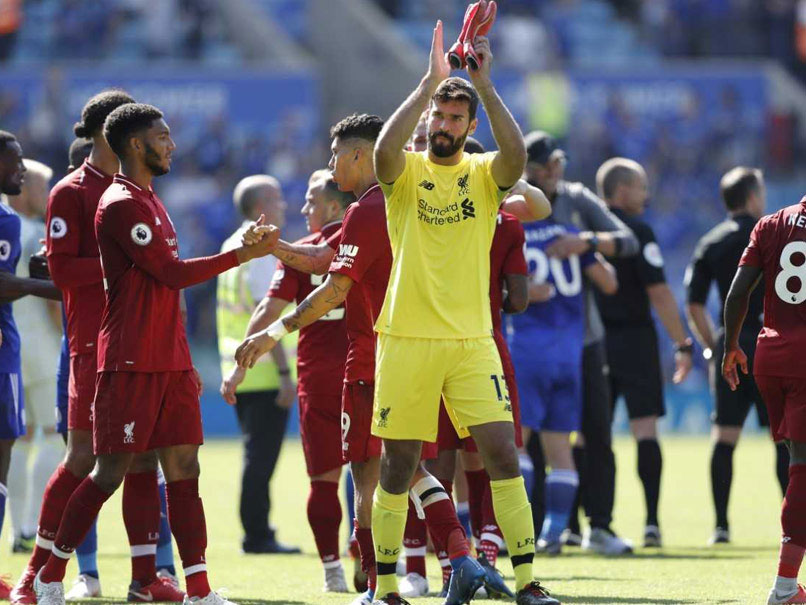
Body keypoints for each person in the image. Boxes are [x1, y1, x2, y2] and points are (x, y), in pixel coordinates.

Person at [236, 112, 505, 605]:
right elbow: (323, 259)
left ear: (360, 154)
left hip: (372, 359)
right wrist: (275, 246)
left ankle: (378, 585)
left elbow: (334, 287)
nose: (330, 165)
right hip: (423, 351)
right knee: (414, 468)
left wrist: (271, 335)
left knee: (368, 475)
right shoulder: (404, 200)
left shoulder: (368, 207)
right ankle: (461, 558)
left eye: (335, 155)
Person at [31, 103, 277, 605]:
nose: (172, 145)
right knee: (109, 471)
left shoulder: (151, 200)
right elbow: (171, 273)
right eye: (163, 137)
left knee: (185, 468)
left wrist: (184, 359)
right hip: (128, 360)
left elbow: (169, 288)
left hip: (169, 360)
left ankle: (200, 590)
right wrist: (240, 254)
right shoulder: (120, 203)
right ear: (137, 145)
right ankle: (50, 574)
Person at [367, 20, 556, 604]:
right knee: (398, 466)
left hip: (473, 342)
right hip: (406, 340)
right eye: (438, 118)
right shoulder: (405, 174)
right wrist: (429, 84)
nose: (444, 126)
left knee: (502, 454)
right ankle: (385, 588)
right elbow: (381, 152)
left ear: (470, 127)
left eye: (455, 118)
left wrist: (486, 86)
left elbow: (517, 157)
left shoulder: (484, 174)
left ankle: (527, 582)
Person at [11, 91, 184, 605]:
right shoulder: (71, 191)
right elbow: (61, 271)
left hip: (145, 347)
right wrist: (126, 265)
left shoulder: (142, 190)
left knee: (143, 461)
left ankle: (143, 579)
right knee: (82, 458)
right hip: (92, 345)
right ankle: (37, 576)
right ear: (112, 133)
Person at [224, 169, 353, 591]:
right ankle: (379, 565)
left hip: (316, 377)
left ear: (333, 206)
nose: (302, 208)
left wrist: (244, 360)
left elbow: (266, 310)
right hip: (363, 370)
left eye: (311, 201)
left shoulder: (301, 252)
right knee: (374, 475)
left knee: (323, 479)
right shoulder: (367, 239)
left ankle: (333, 570)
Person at [522, 130, 638, 555]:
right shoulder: (516, 204)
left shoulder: (571, 202)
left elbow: (629, 241)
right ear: (530, 170)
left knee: (590, 435)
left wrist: (585, 241)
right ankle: (545, 528)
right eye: (546, 166)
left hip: (574, 342)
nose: (555, 173)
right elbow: (609, 278)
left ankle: (595, 526)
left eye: (557, 164)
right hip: (559, 342)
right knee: (547, 443)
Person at [685, 166, 788, 545]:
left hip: (730, 347)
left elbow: (693, 303)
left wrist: (712, 345)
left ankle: (721, 526)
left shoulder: (711, 242)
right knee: (783, 439)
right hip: (772, 345)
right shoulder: (775, 235)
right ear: (752, 197)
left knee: (725, 437)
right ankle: (789, 525)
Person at [594, 158, 694, 548]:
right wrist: (682, 343)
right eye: (640, 187)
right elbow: (659, 292)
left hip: (594, 342)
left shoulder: (588, 230)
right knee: (644, 429)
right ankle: (651, 522)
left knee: (591, 436)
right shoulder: (638, 230)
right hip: (635, 342)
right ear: (622, 191)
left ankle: (581, 523)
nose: (646, 194)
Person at [510, 204, 618, 555]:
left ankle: (519, 533)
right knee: (561, 451)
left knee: (517, 445)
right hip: (569, 356)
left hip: (528, 352)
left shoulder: (515, 233)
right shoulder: (566, 236)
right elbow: (609, 281)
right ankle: (553, 533)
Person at [721, 192, 806, 604]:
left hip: (771, 356)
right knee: (803, 471)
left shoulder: (771, 223)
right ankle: (785, 587)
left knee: (800, 464)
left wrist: (730, 346)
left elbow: (739, 293)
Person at [216, 174, 299, 555]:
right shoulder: (260, 248)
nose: (284, 204)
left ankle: (258, 529)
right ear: (259, 207)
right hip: (263, 370)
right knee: (261, 458)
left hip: (241, 368)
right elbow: (269, 314)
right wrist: (284, 373)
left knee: (256, 455)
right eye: (277, 197)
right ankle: (257, 534)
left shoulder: (231, 244)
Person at [0, 130, 61, 600]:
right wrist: (55, 290)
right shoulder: (13, 224)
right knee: (46, 439)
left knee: (18, 442)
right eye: (15, 162)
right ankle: (30, 525)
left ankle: (20, 527)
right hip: (22, 346)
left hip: (20, 345)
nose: (22, 172)